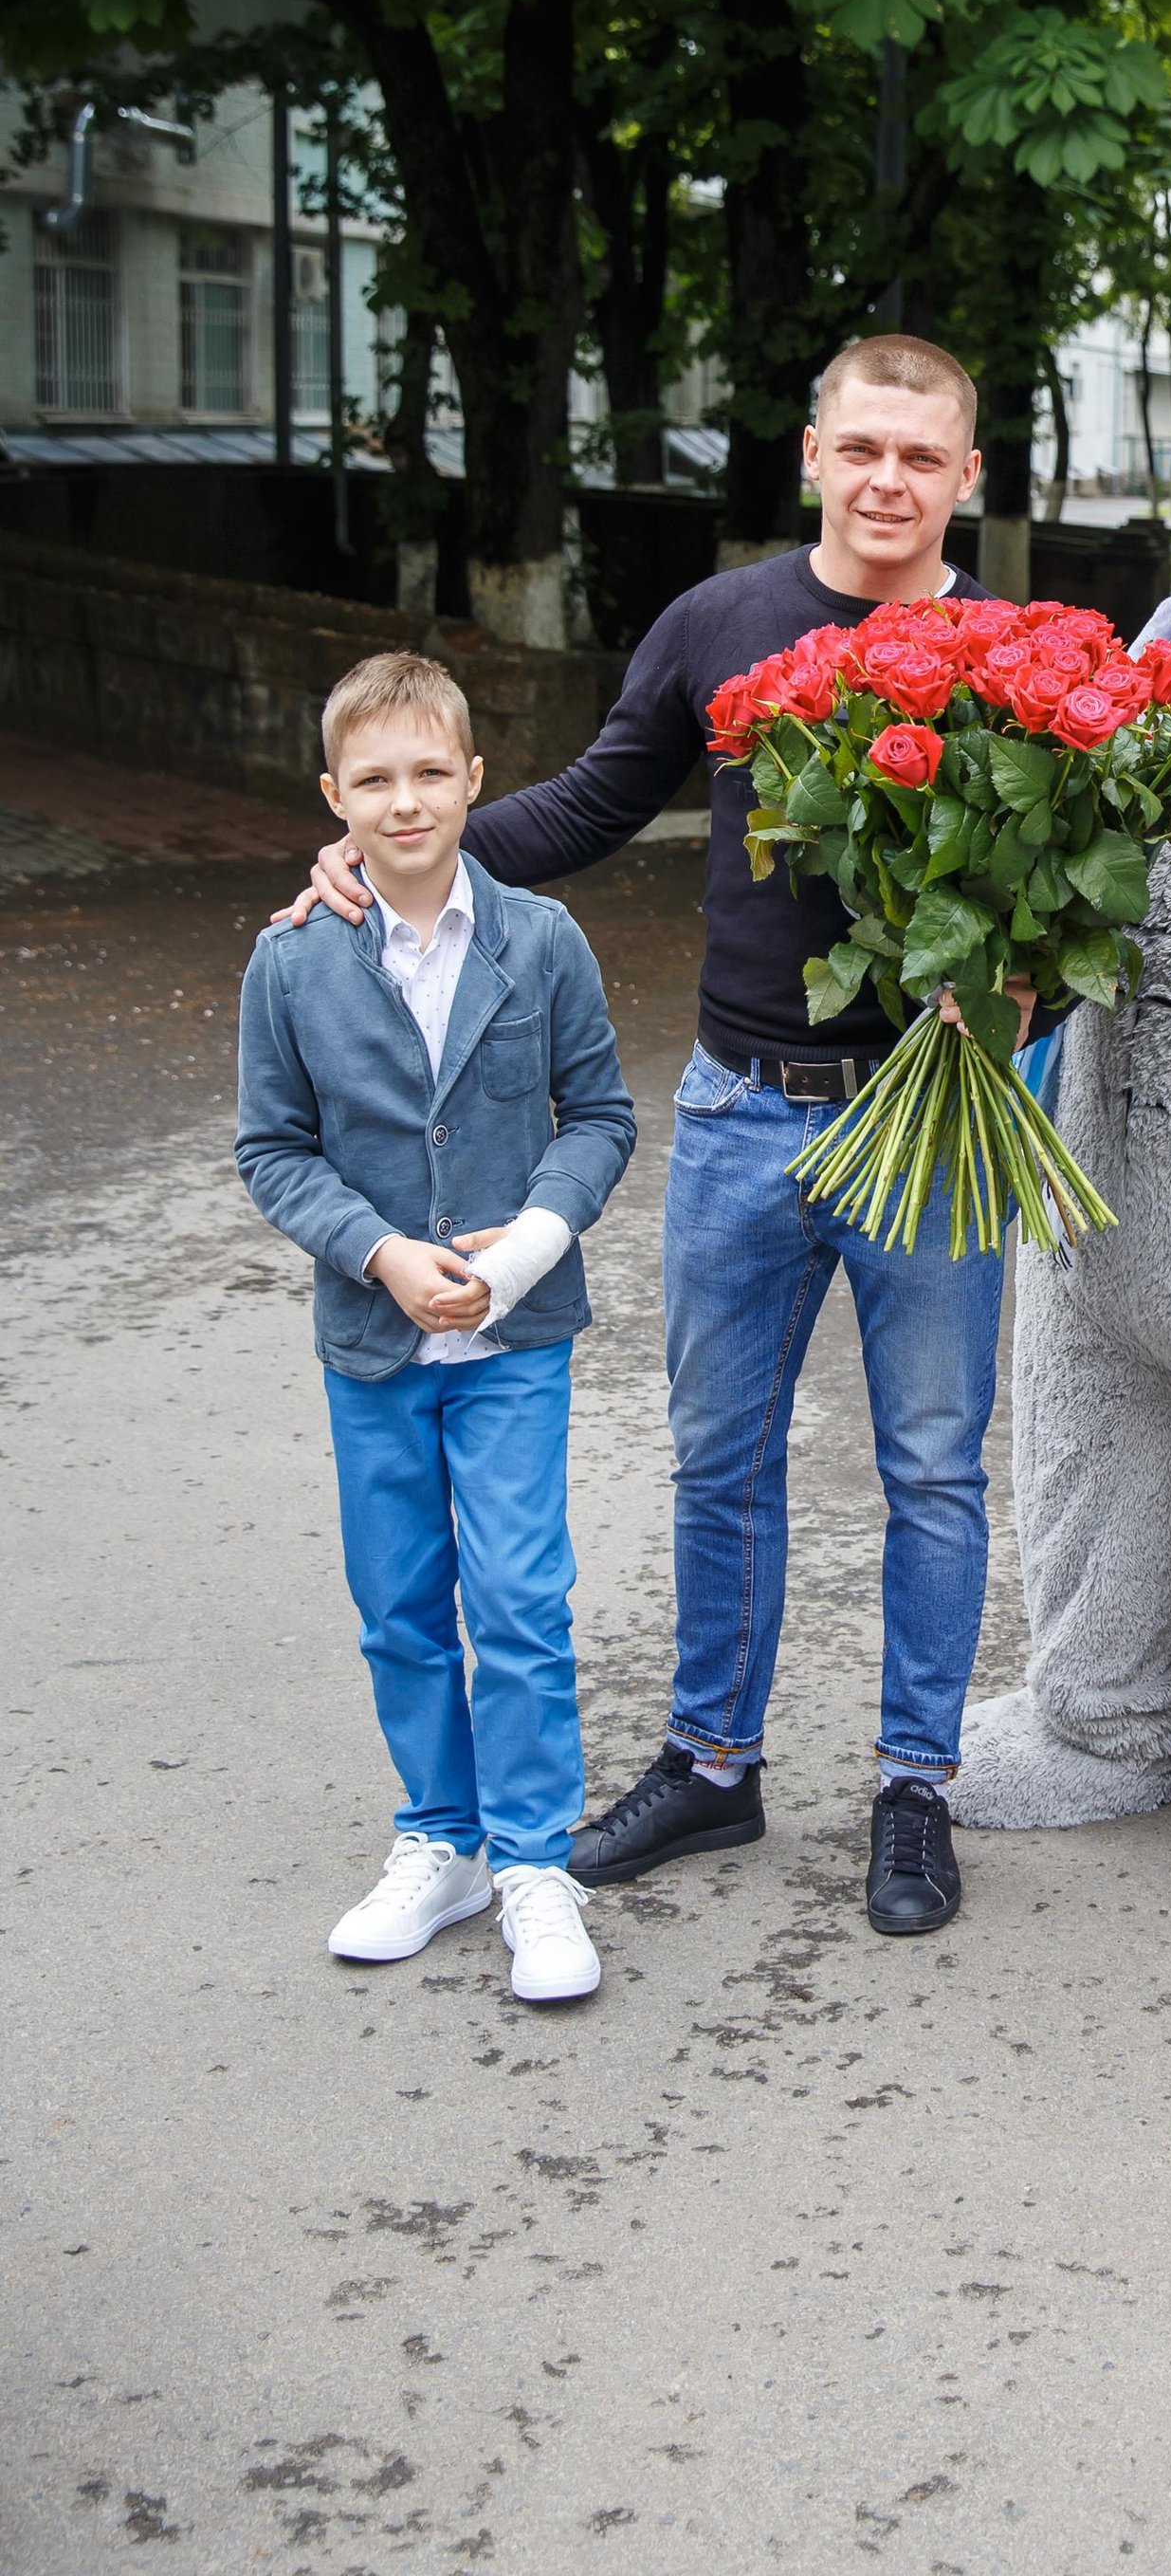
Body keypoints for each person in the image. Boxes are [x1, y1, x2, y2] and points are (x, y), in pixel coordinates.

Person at [286, 337, 1000, 1940]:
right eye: (862, 448)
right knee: (720, 1462)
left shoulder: (1014, 652)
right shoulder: (720, 624)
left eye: (922, 457)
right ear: (813, 452)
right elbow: (597, 803)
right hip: (747, 1111)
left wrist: (1024, 1013)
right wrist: (395, 854)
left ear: (966, 477)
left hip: (935, 1123)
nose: (888, 481)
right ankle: (712, 1763)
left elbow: (1078, 902)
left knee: (934, 1470)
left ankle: (913, 1790)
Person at [236, 653, 636, 2002]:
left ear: (471, 780)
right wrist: (381, 1251)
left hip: (514, 1344)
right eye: (372, 781)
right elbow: (273, 1151)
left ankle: (534, 1861)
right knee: (401, 1603)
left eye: (427, 775)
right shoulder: (291, 961)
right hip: (375, 1342)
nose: (402, 804)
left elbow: (601, 1117)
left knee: (520, 1600)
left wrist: (523, 1251)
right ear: (334, 796)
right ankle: (440, 1839)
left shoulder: (543, 940)